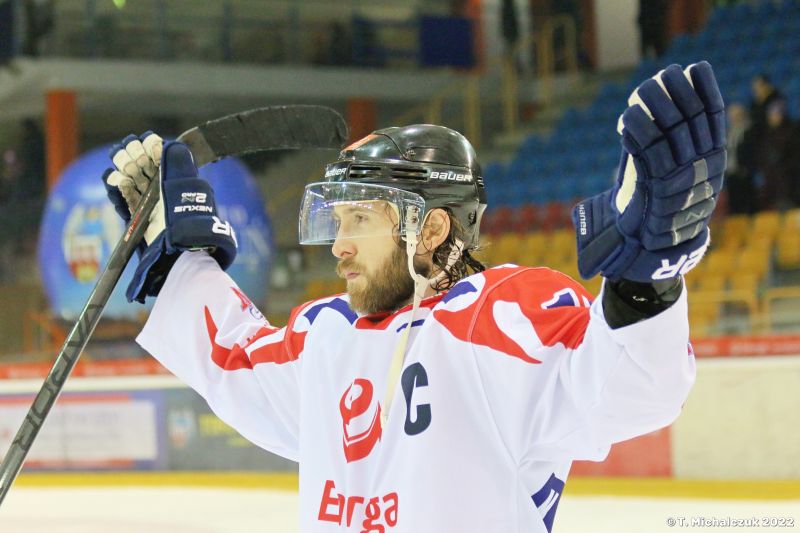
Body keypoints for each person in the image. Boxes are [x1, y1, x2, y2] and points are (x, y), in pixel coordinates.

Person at [101, 62, 725, 532]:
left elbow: (631, 389)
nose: (339, 245)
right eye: (337, 222)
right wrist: (176, 252)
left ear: (430, 229)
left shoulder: (503, 314)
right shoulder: (326, 336)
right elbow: (234, 359)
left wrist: (646, 279)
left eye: (360, 220)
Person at [758, 100, 800, 210]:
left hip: (787, 179)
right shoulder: (767, 134)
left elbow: (794, 156)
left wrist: (784, 165)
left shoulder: (791, 131)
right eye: (771, 115)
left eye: (775, 114)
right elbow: (763, 156)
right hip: (772, 179)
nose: (772, 117)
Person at [725, 103, 758, 214]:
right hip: (731, 172)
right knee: (734, 204)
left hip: (743, 172)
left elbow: (750, 151)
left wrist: (746, 168)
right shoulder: (729, 133)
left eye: (736, 115)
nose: (733, 118)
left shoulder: (748, 131)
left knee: (747, 202)